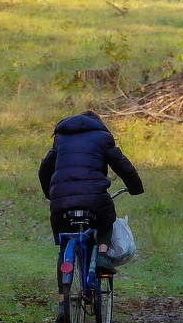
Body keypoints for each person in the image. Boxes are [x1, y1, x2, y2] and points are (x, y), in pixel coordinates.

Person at [38, 110, 144, 291]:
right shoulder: (102, 138)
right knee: (107, 219)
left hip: (61, 202)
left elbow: (44, 169)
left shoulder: (61, 139)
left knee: (64, 240)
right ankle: (102, 254)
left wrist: (50, 194)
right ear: (97, 124)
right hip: (94, 199)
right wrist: (135, 188)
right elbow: (123, 166)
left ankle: (63, 300)